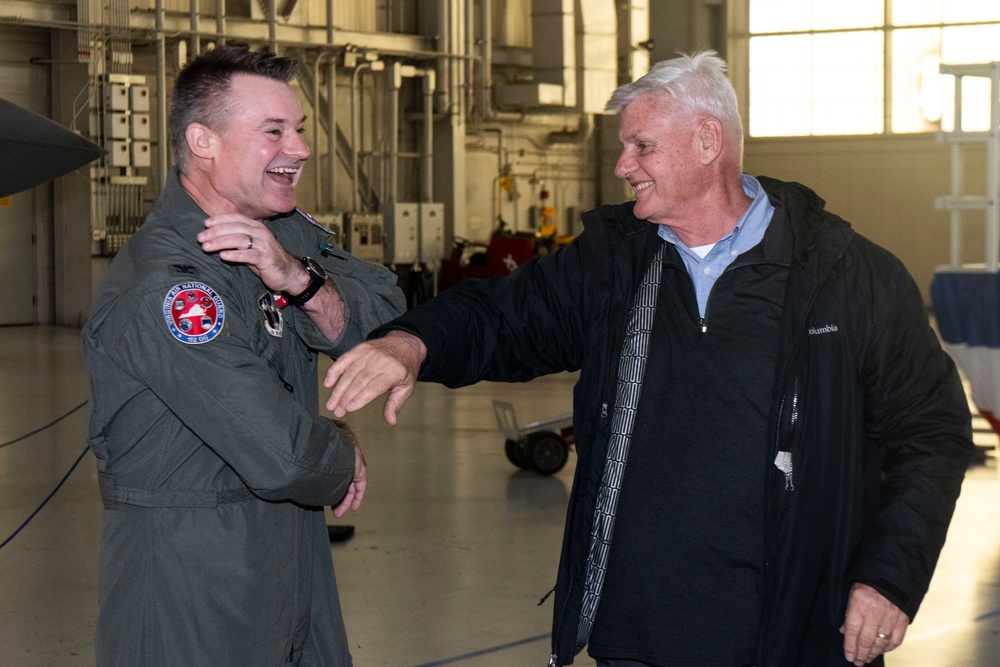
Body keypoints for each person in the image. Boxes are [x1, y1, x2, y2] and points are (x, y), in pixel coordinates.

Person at [322, 51, 974, 667]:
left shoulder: (847, 278)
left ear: (707, 141)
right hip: (637, 633)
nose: (623, 165)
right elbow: (501, 315)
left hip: (791, 634)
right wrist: (411, 343)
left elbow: (933, 434)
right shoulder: (616, 266)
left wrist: (888, 577)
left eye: (642, 146)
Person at [82, 46, 405, 666]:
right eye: (274, 131)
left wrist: (302, 282)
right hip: (195, 579)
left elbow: (391, 317)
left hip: (286, 558)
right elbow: (283, 455)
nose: (302, 148)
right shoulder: (170, 290)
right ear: (203, 141)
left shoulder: (283, 238)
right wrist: (342, 451)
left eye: (301, 129)